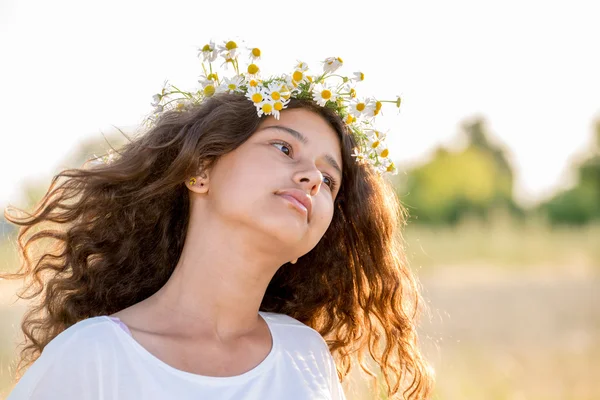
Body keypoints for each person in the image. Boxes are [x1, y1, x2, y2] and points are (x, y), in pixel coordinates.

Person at [2, 39, 434, 399]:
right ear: (199, 170)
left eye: (329, 178)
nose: (311, 178)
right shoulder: (91, 355)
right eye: (284, 148)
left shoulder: (306, 356)